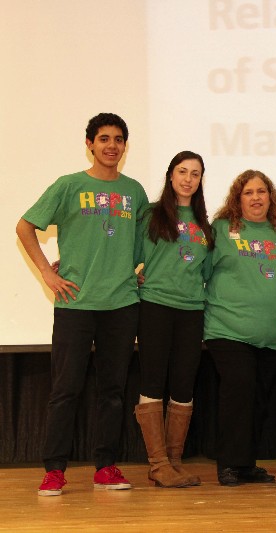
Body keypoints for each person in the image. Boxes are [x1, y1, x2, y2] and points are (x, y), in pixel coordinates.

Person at [16, 113, 148, 496]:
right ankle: (54, 470)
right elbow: (25, 226)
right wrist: (47, 273)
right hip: (75, 303)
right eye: (104, 138)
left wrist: (137, 269)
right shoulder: (69, 185)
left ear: (125, 146)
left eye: (119, 139)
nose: (112, 145)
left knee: (113, 390)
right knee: (65, 390)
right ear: (89, 143)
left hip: (122, 304)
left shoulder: (134, 192)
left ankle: (105, 466)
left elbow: (141, 242)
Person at [203, 170, 276, 486]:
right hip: (227, 328)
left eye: (262, 192)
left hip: (269, 334)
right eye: (248, 192)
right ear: (237, 198)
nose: (256, 198)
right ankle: (229, 464)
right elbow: (197, 268)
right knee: (239, 391)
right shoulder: (222, 229)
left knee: (258, 400)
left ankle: (246, 465)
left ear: (271, 197)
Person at [134, 151, 214, 488]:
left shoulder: (203, 224)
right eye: (182, 171)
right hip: (154, 306)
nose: (188, 179)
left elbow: (207, 273)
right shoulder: (151, 215)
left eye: (195, 174)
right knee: (153, 380)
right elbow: (129, 256)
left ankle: (174, 460)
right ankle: (157, 463)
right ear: (170, 175)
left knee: (183, 385)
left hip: (192, 310)